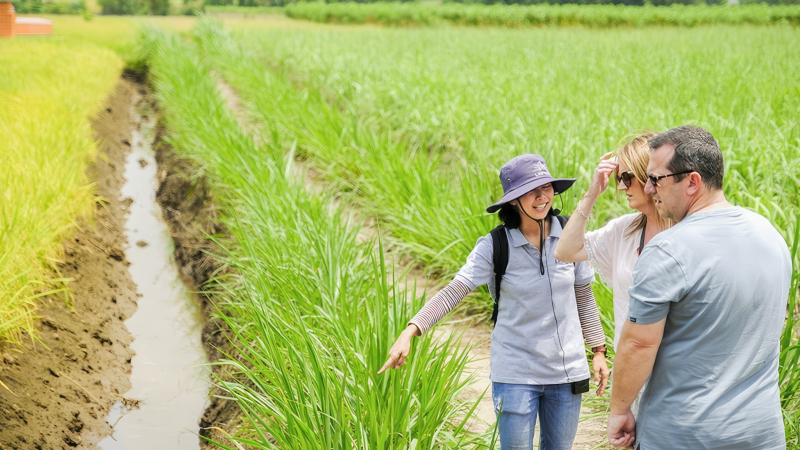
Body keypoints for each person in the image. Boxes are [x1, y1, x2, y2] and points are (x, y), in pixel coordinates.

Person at [378, 154, 610, 450]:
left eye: (547, 187)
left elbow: (583, 296)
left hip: (566, 373)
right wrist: (411, 330)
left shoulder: (569, 235)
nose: (542, 197)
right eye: (531, 191)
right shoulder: (495, 245)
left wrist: (599, 350)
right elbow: (455, 290)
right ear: (513, 200)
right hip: (515, 372)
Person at [607, 126, 792, 449]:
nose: (649, 189)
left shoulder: (668, 250)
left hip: (685, 435)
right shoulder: (770, 235)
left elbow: (638, 344)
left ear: (692, 181)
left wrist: (619, 409)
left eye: (656, 179)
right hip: (761, 433)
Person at [555, 132, 671, 354]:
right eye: (619, 178)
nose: (620, 187)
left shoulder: (686, 231)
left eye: (627, 178)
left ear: (649, 175)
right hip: (629, 365)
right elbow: (564, 251)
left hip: (673, 372)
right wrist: (591, 194)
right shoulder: (623, 231)